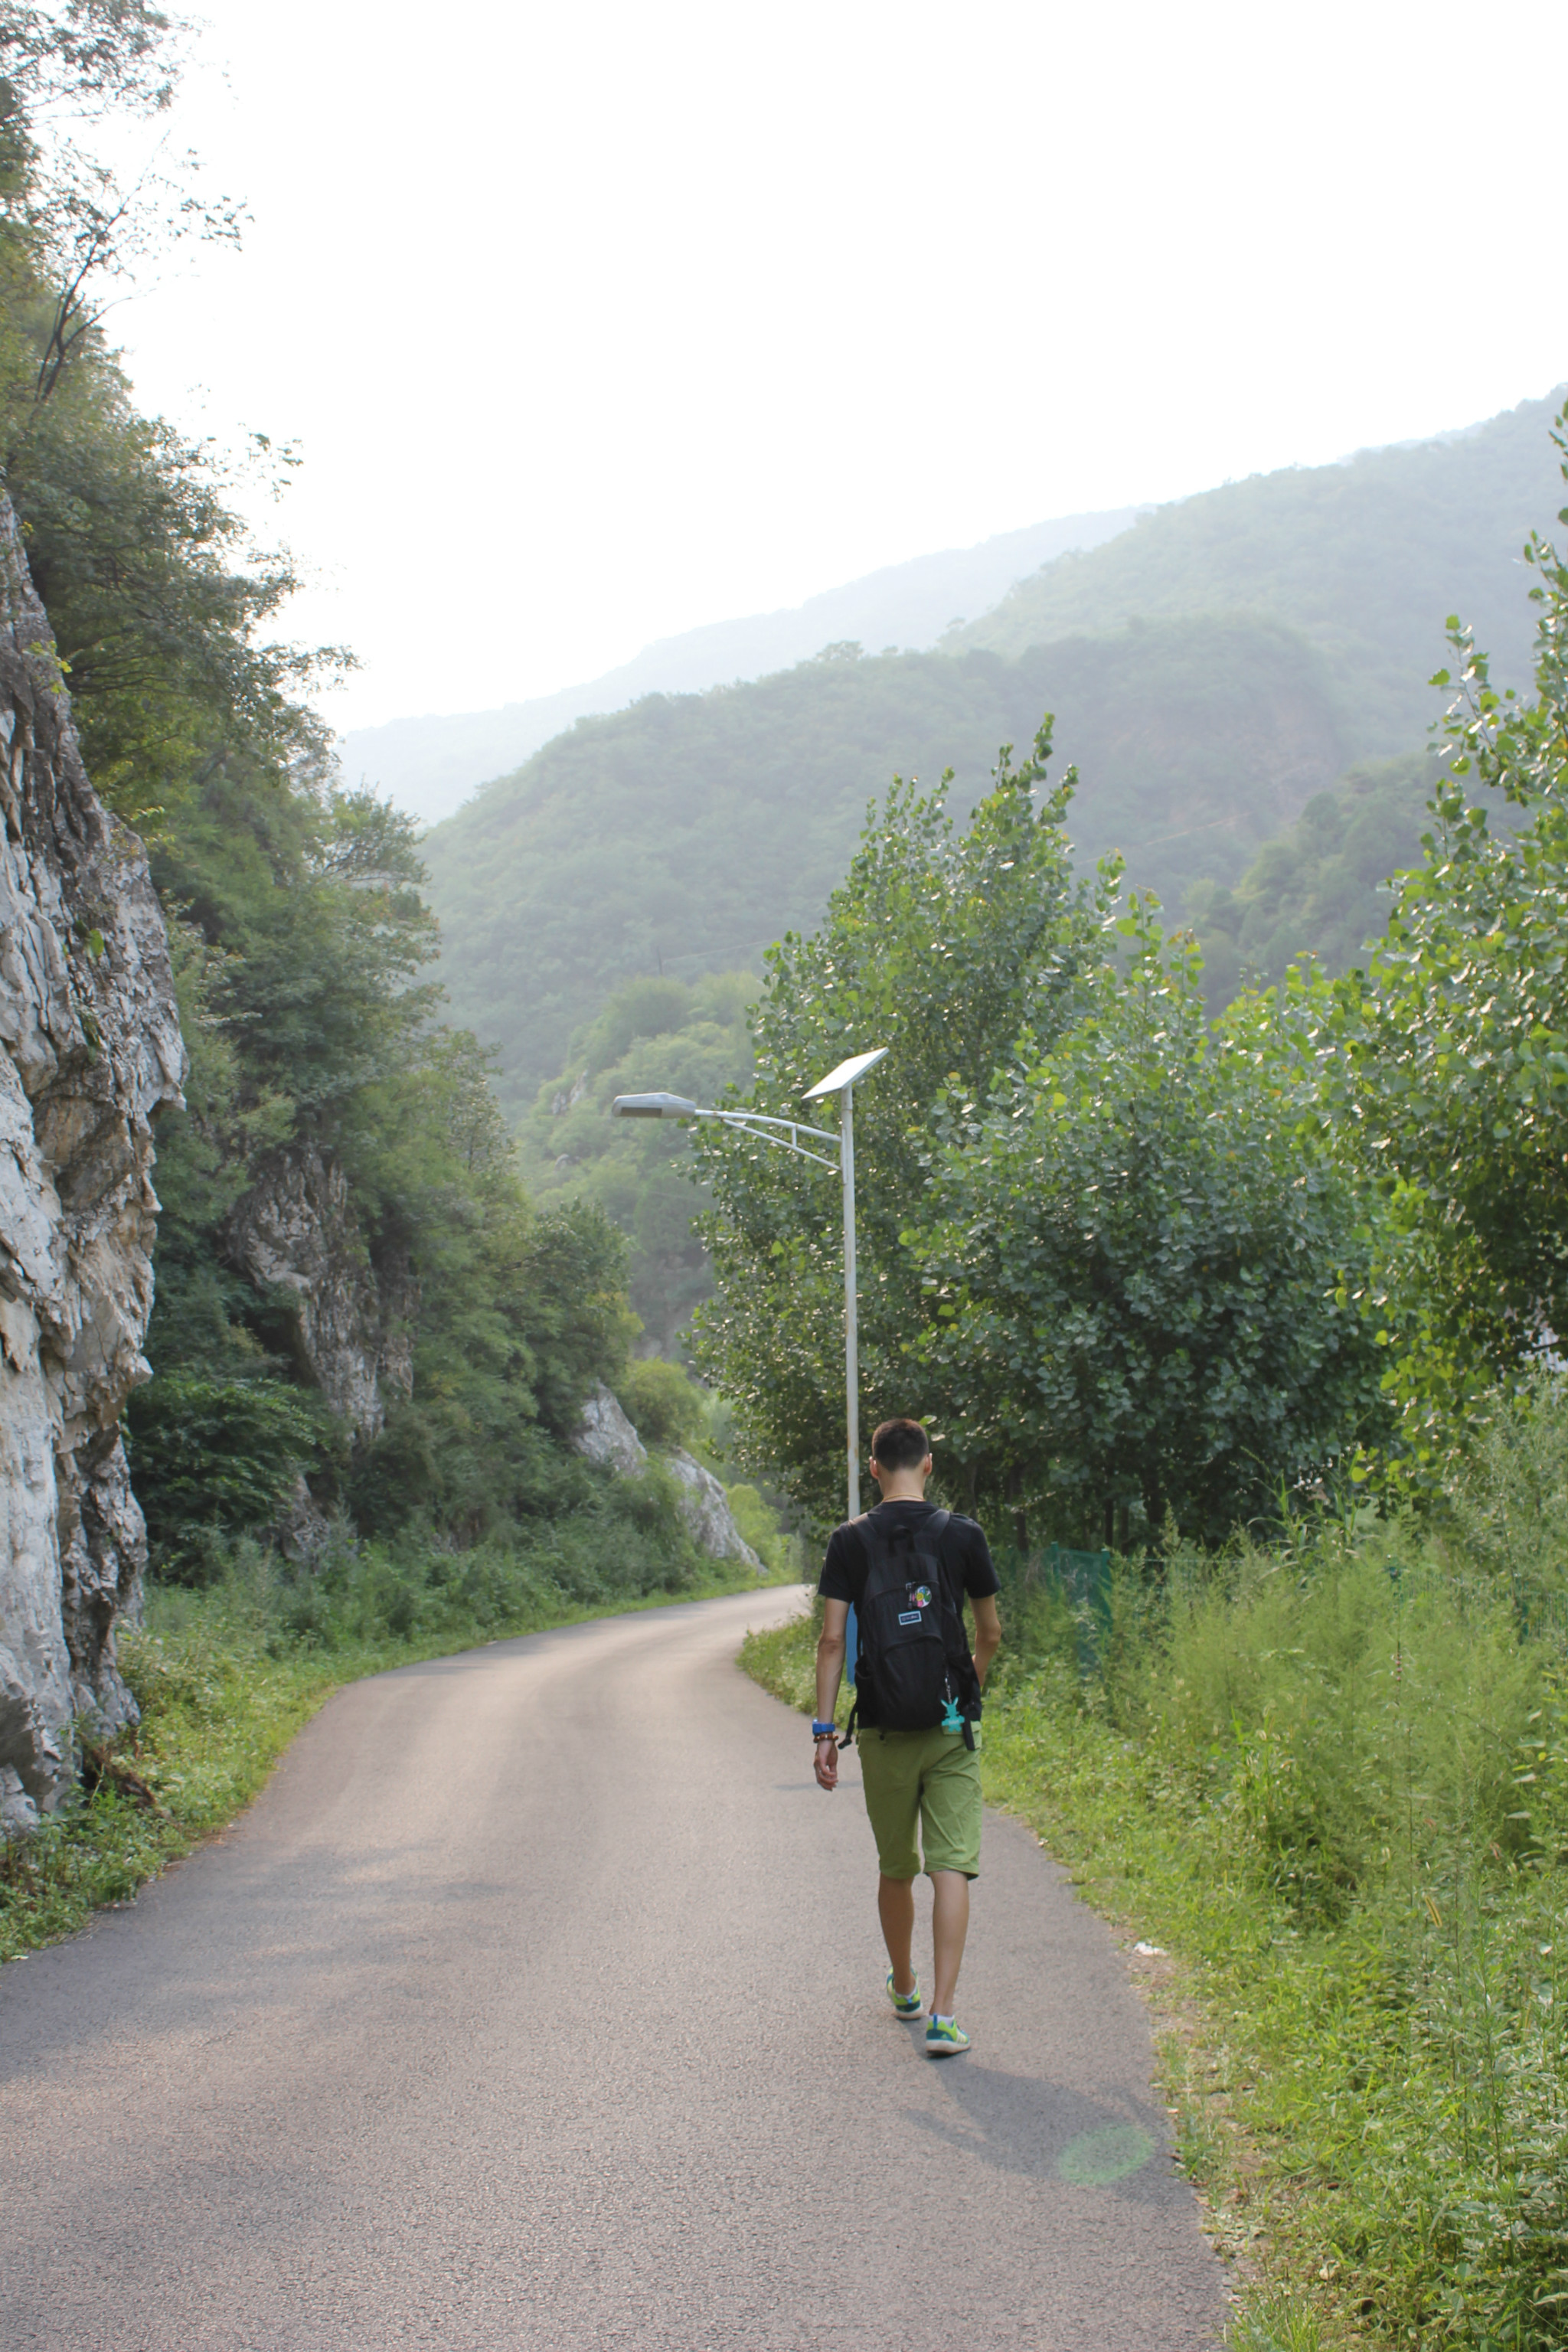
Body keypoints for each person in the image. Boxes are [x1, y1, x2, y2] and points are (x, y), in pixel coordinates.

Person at [812, 1416, 1001, 2056]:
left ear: (873, 1469)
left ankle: (904, 1986)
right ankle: (945, 2017)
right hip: (952, 1729)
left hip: (886, 1729)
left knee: (897, 1867)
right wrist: (962, 1692)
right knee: (951, 1868)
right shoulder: (962, 1536)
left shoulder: (850, 1541)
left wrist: (822, 1728)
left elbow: (833, 1640)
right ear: (928, 1465)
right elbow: (991, 1633)